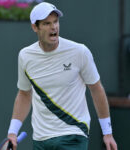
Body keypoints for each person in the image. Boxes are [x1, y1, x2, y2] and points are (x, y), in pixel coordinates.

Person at [7, 2, 117, 150]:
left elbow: (96, 89)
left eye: (56, 22)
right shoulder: (25, 56)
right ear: (35, 27)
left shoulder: (80, 52)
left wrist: (107, 132)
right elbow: (24, 94)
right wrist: (13, 132)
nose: (54, 27)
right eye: (47, 23)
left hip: (73, 135)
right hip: (41, 139)